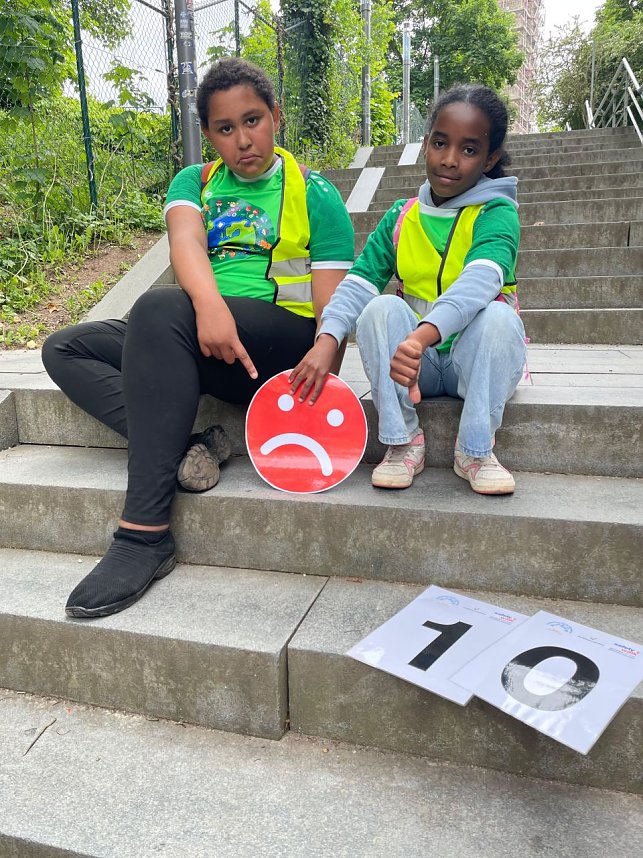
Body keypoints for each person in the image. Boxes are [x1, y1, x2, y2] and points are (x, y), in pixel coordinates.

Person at [42, 57, 354, 618]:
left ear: (276, 117)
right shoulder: (196, 182)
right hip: (199, 330)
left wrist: (323, 359)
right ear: (209, 135)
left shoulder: (316, 193)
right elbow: (184, 242)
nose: (243, 139)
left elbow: (333, 309)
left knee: (160, 307)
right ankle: (183, 446)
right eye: (225, 129)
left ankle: (143, 534)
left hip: (274, 353)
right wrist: (209, 308)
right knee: (64, 347)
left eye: (253, 120)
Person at [290, 83, 526, 495]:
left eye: (469, 150)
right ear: (425, 144)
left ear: (490, 158)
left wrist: (420, 336)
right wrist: (328, 337)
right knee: (378, 309)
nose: (450, 160)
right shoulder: (403, 216)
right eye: (440, 143)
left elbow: (480, 281)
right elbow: (359, 283)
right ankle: (402, 444)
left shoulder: (498, 213)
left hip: (473, 365)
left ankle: (475, 450)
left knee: (499, 317)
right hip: (413, 369)